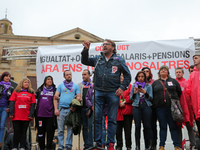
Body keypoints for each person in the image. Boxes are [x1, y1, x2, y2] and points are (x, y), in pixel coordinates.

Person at [81, 40, 131, 149]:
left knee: (112, 119)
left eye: (107, 44)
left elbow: (128, 76)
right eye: (103, 44)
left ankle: (111, 143)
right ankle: (98, 144)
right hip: (98, 91)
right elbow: (84, 60)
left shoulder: (119, 60)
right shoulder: (98, 59)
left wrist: (122, 88)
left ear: (113, 47)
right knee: (97, 118)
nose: (104, 46)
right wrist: (85, 49)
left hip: (113, 92)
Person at [152, 65, 182, 150]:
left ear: (168, 72)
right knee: (162, 126)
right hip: (160, 109)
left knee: (173, 126)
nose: (163, 71)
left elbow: (179, 92)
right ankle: (162, 146)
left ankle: (176, 145)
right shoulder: (156, 82)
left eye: (165, 70)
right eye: (161, 70)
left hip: (172, 108)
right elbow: (152, 95)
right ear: (159, 72)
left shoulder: (173, 81)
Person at [53, 70, 81, 150]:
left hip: (70, 110)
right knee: (60, 129)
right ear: (64, 76)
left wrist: (78, 99)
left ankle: (68, 145)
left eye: (70, 74)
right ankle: (61, 146)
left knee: (70, 129)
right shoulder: (60, 86)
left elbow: (79, 97)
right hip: (61, 109)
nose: (69, 76)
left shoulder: (75, 86)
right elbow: (55, 97)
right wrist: (56, 109)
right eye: (67, 74)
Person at [9, 78, 36, 150]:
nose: (27, 83)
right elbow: (12, 102)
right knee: (16, 132)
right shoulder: (16, 92)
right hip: (16, 116)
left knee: (24, 132)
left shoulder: (31, 92)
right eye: (25, 82)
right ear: (22, 83)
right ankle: (15, 147)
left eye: (28, 82)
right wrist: (11, 113)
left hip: (26, 116)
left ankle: (22, 147)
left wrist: (31, 114)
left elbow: (33, 104)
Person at [130, 71, 153, 150]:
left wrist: (145, 93)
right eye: (139, 76)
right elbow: (131, 99)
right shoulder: (133, 86)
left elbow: (151, 98)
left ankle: (149, 145)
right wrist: (134, 93)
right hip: (137, 106)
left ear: (144, 78)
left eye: (142, 76)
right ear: (137, 77)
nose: (140, 78)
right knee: (137, 126)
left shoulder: (148, 86)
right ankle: (137, 146)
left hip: (146, 106)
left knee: (147, 126)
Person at [175, 67, 196, 149]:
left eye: (180, 72)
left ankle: (193, 144)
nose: (178, 73)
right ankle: (179, 145)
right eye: (177, 72)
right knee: (178, 127)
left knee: (189, 126)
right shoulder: (174, 83)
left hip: (187, 109)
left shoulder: (187, 83)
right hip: (178, 109)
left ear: (183, 73)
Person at [35, 75, 57, 150]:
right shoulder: (39, 90)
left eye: (51, 79)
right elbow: (35, 101)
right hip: (40, 115)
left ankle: (48, 148)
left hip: (50, 116)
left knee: (50, 134)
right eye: (48, 79)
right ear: (45, 81)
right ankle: (41, 147)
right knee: (40, 133)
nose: (50, 80)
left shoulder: (54, 90)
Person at [116, 74, 133, 150]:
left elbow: (132, 96)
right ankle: (119, 146)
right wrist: (118, 103)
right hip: (117, 112)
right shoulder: (114, 86)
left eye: (123, 76)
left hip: (127, 112)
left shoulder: (130, 86)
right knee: (118, 131)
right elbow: (112, 96)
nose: (121, 77)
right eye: (120, 76)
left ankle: (128, 146)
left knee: (128, 131)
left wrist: (124, 101)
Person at [141, 67, 156, 149]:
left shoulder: (154, 82)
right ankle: (147, 145)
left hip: (152, 107)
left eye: (147, 71)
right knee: (146, 127)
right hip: (143, 108)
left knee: (153, 127)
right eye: (144, 71)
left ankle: (154, 145)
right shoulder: (138, 83)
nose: (146, 72)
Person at [78, 69, 93, 150]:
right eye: (82, 75)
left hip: (91, 109)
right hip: (82, 108)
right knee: (84, 126)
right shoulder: (79, 85)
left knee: (91, 126)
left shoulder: (93, 84)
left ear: (89, 75)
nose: (83, 76)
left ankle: (91, 143)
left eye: (85, 74)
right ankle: (86, 144)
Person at [186, 52, 200, 139]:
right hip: (196, 107)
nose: (194, 59)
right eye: (193, 58)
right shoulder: (192, 75)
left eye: (196, 58)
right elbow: (188, 90)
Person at [0, 71, 14, 147]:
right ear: (3, 77)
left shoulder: (11, 88)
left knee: (2, 126)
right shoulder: (0, 86)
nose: (8, 77)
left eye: (9, 76)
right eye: (6, 76)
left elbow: (12, 100)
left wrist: (10, 108)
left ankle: (0, 142)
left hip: (5, 108)